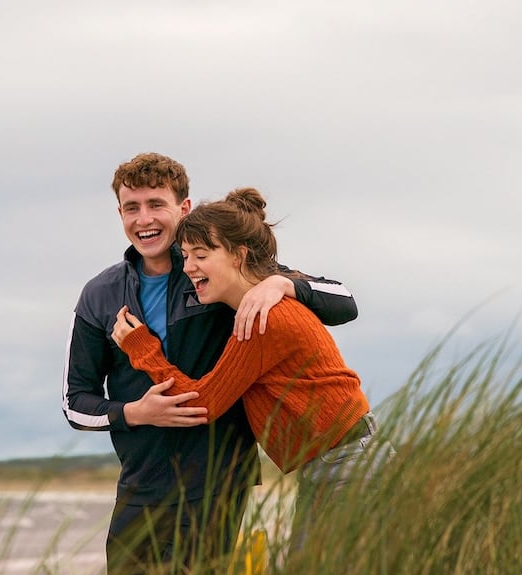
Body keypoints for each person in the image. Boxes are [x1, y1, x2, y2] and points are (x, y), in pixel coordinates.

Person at [61, 153, 358, 573]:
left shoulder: (217, 269)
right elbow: (76, 402)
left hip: (217, 483)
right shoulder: (100, 295)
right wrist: (133, 412)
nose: (144, 219)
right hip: (141, 483)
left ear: (183, 208)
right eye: (132, 207)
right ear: (120, 214)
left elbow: (344, 300)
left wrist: (280, 282)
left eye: (156, 204)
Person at [111, 187, 393, 553]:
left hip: (347, 464)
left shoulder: (263, 318)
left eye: (201, 255)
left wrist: (143, 349)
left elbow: (204, 402)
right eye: (184, 256)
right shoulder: (253, 310)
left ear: (238, 255)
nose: (189, 266)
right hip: (339, 460)